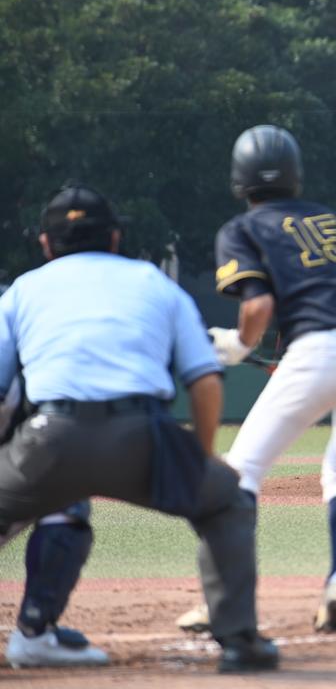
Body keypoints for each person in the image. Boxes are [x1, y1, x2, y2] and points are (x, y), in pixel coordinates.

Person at [0, 184, 277, 673]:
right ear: (114, 237)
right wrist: (201, 457)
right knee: (227, 500)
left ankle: (37, 632)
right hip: (142, 438)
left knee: (58, 502)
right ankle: (239, 642)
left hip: (47, 438)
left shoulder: (22, 290)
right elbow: (205, 381)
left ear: (45, 243)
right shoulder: (154, 283)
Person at [188, 124, 336, 635]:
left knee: (241, 472)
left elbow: (258, 306)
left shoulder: (241, 228)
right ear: (296, 175)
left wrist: (239, 345)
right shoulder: (334, 220)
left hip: (318, 352)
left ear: (239, 180)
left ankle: (225, 601)